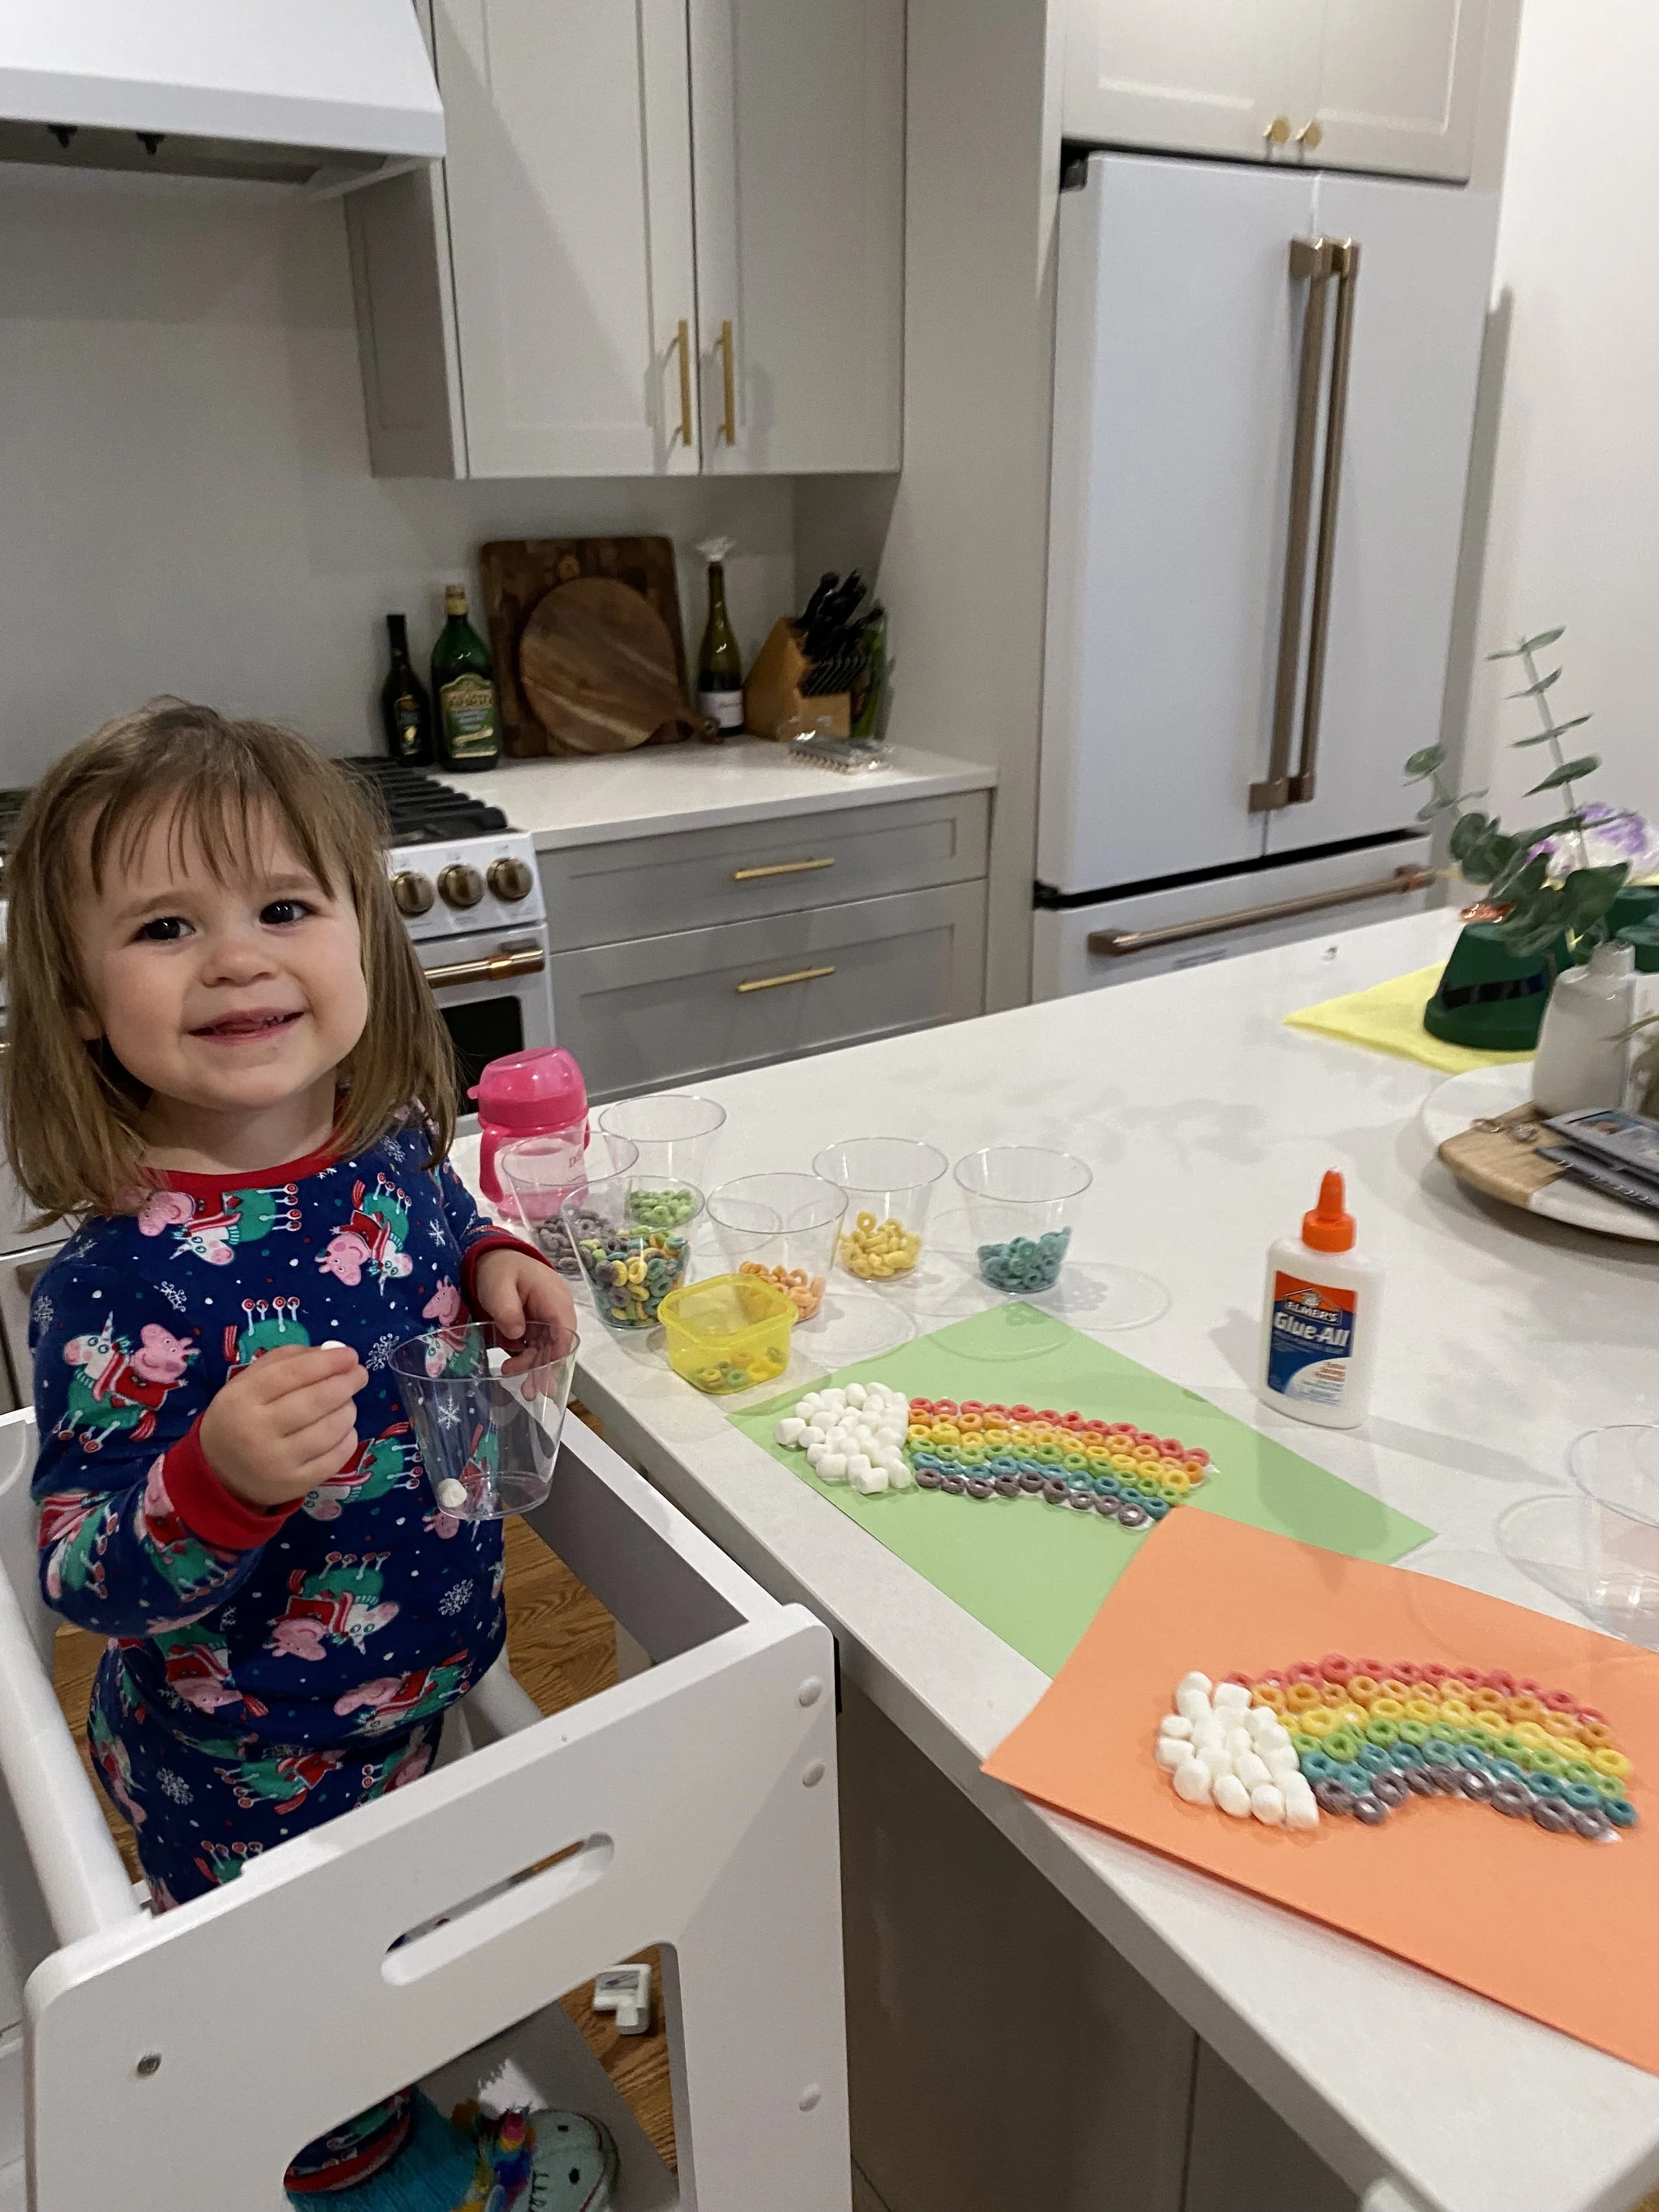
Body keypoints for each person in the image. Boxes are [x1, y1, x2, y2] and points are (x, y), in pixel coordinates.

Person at [3, 701, 575, 2197]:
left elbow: (440, 1235)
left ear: (360, 944)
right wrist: (213, 1483)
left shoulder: (386, 1151)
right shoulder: (113, 1284)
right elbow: (82, 1577)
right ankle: (358, 2170)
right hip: (242, 1753)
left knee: (376, 1948)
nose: (238, 957)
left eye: (281, 907)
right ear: (76, 996)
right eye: (168, 925)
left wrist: (498, 1260)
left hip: (408, 1685)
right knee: (301, 2022)